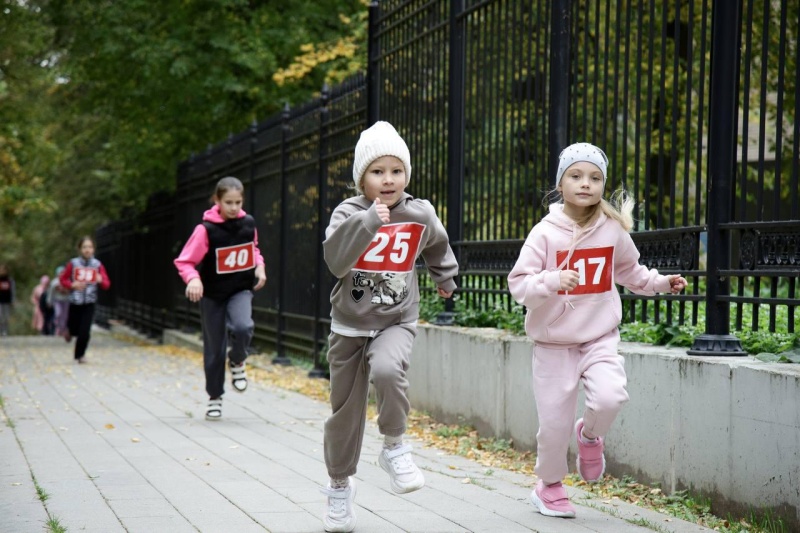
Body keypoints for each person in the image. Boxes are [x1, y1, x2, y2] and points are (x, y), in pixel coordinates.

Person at [507, 142, 687, 519]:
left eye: (594, 177)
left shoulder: (611, 230)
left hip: (598, 338)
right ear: (560, 183)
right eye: (576, 176)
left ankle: (589, 437)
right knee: (553, 425)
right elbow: (519, 284)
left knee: (610, 397)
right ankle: (549, 486)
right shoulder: (544, 233)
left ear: (603, 185)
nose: (585, 184)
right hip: (553, 344)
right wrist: (553, 280)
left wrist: (660, 283)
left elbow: (632, 272)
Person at [319, 121, 458, 532]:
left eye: (396, 171)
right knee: (344, 413)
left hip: (397, 318)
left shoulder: (419, 212)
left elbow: (437, 242)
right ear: (362, 177)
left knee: (386, 369)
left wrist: (444, 276)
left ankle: (395, 446)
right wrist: (367, 222)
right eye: (378, 171)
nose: (388, 179)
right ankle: (339, 486)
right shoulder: (347, 212)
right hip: (349, 325)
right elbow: (335, 261)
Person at [174, 176, 267, 421]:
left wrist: (260, 267)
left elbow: (254, 249)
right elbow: (185, 261)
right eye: (228, 202)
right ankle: (214, 397)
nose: (234, 207)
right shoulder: (205, 230)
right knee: (214, 348)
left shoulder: (248, 223)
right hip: (213, 294)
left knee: (243, 326)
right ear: (217, 200)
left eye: (238, 202)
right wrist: (193, 279)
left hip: (240, 289)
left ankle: (237, 360)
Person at [60, 236, 111, 363]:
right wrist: (72, 285)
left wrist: (100, 280)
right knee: (74, 328)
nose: (87, 250)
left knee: (84, 331)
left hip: (89, 302)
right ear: (79, 249)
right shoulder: (73, 264)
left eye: (90, 247)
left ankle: (80, 355)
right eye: (84, 247)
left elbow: (107, 284)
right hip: (75, 301)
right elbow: (63, 279)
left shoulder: (97, 265)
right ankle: (69, 331)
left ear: (94, 249)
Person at [48, 265, 71, 339]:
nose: (61, 274)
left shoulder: (68, 281)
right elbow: (51, 293)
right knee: (58, 314)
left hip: (66, 300)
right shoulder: (54, 282)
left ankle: (63, 329)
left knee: (65, 316)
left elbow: (71, 291)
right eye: (60, 272)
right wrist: (49, 301)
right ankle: (58, 328)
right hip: (57, 301)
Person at [0, 264, 15, 336]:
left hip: (7, 301)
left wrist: (12, 300)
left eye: (4, 270)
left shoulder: (10, 280)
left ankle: (5, 331)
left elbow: (12, 291)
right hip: (0, 301)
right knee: (0, 316)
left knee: (6, 316)